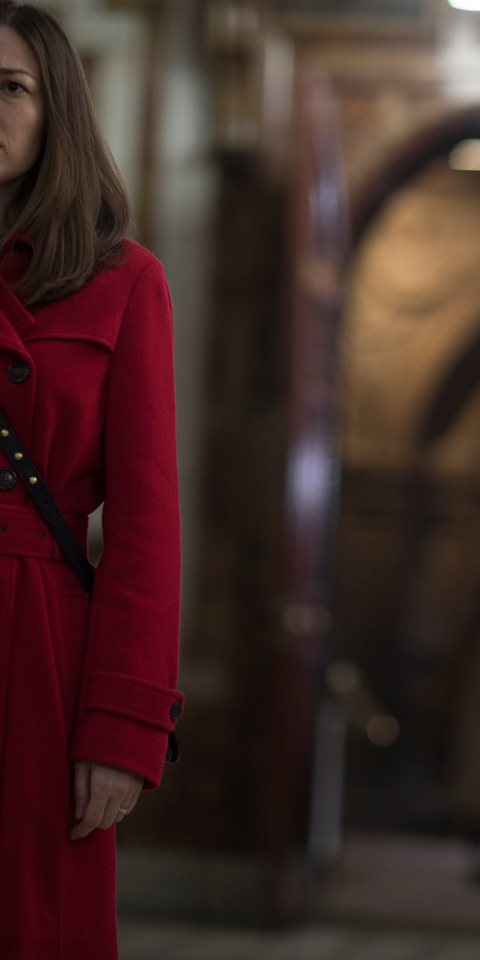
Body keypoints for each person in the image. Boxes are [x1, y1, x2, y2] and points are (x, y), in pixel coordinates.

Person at [0, 2, 184, 958]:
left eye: (10, 86)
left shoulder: (123, 281)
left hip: (36, 658)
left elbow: (148, 531)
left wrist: (121, 728)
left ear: (55, 109)